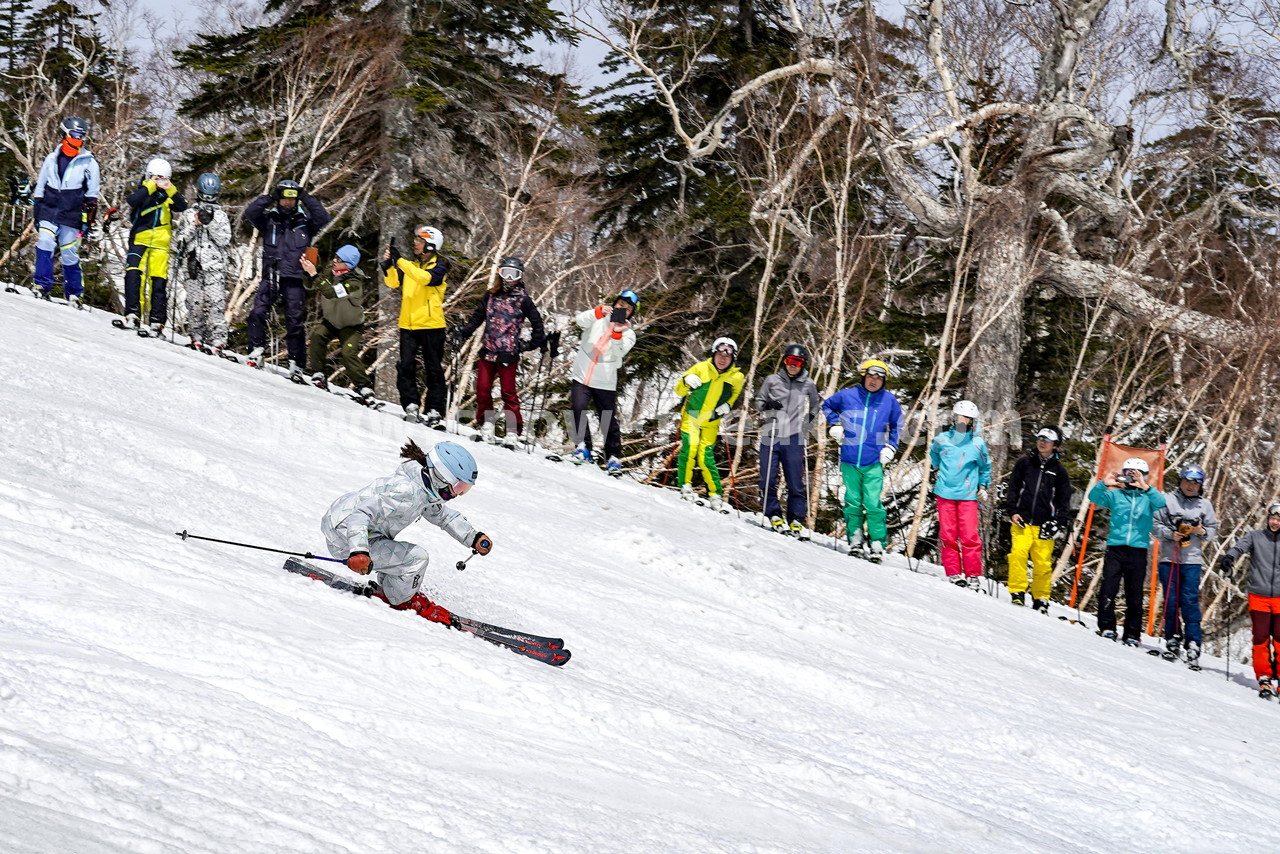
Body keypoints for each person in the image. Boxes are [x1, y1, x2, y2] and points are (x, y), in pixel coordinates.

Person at [321, 439, 492, 622]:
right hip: (345, 537)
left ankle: (393, 591)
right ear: (441, 475)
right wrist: (358, 551)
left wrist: (473, 537)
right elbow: (359, 515)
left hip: (357, 530)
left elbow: (442, 516)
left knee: (401, 559)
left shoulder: (423, 489)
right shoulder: (406, 491)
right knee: (416, 559)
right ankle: (397, 600)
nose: (458, 494)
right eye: (459, 487)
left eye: (465, 490)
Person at [454, 256, 546, 446]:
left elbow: (538, 324)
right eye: (506, 273)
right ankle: (486, 423)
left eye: (514, 275)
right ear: (500, 273)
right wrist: (464, 332)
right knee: (482, 389)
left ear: (520, 277)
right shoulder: (490, 295)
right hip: (488, 350)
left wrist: (530, 344)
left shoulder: (523, 299)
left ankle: (512, 431)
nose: (509, 278)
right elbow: (477, 318)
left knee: (508, 393)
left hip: (508, 354)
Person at [245, 179, 331, 378]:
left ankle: (296, 362)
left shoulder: (305, 223)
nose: (288, 203)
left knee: (294, 320)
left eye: (292, 200)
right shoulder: (269, 219)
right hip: (272, 274)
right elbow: (250, 213)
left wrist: (305, 196)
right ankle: (256, 348)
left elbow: (322, 217)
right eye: (284, 199)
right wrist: (269, 197)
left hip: (295, 278)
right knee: (258, 312)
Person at [821, 358, 902, 560]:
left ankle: (876, 542)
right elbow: (827, 405)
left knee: (873, 503)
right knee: (853, 501)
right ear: (863, 376)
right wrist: (834, 425)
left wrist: (891, 447)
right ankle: (855, 539)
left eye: (879, 378)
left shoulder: (889, 401)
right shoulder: (848, 395)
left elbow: (897, 426)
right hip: (849, 459)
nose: (874, 381)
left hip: (874, 460)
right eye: (871, 376)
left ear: (884, 381)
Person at [1087, 457, 1166, 646]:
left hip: (1138, 551)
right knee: (1108, 589)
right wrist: (1104, 484)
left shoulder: (1148, 497)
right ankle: (1107, 627)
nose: (1131, 478)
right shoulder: (1116, 495)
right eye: (1128, 473)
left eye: (1136, 474)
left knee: (1134, 593)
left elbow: (1162, 503)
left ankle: (1132, 633)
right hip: (1116, 547)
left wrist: (1145, 486)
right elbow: (1094, 498)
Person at [382, 225, 450, 426]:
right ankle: (410, 403)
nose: (415, 245)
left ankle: (435, 409)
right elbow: (393, 283)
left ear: (430, 245)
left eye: (419, 242)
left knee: (433, 369)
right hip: (408, 324)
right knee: (406, 366)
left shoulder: (440, 267)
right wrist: (389, 265)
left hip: (431, 325)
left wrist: (400, 261)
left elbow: (425, 279)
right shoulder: (410, 266)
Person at [1150, 463, 1216, 664]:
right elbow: (1154, 525)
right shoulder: (1167, 500)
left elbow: (1212, 530)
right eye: (1188, 481)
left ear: (1200, 486)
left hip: (1192, 560)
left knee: (1189, 601)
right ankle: (1172, 637)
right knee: (1170, 601)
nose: (1191, 486)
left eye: (1195, 483)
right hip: (1169, 558)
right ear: (1181, 481)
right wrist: (1171, 534)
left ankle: (1194, 641)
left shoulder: (1204, 505)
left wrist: (1201, 532)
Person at [568, 291, 638, 473]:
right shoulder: (598, 318)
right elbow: (579, 321)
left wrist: (616, 334)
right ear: (615, 304)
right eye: (621, 305)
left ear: (631, 314)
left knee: (607, 418)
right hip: (582, 375)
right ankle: (583, 447)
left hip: (605, 381)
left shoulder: (629, 334)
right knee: (577, 409)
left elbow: (618, 353)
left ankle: (613, 456)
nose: (623, 310)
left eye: (628, 309)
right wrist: (596, 312)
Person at [32, 116, 100, 305]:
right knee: (45, 242)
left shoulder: (89, 162)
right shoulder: (52, 158)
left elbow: (92, 193)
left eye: (83, 135)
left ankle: (74, 292)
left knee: (69, 251)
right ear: (66, 134)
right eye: (76, 134)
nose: (79, 138)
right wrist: (37, 207)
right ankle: (42, 284)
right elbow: (41, 183)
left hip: (72, 212)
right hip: (50, 207)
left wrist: (89, 216)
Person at [1005, 425, 1073, 611]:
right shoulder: (1025, 463)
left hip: (1045, 525)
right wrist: (1012, 511)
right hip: (1022, 520)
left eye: (1047, 440)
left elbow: (1064, 500)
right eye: (1040, 438)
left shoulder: (1059, 471)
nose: (1042, 442)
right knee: (1018, 554)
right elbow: (1013, 488)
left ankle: (1041, 598)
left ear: (1055, 445)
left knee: (1042, 563)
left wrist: (1058, 522)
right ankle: (1017, 591)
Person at [756, 343, 821, 537]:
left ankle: (796, 519)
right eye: (790, 361)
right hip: (771, 434)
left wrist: (808, 422)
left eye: (797, 362)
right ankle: (773, 513)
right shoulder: (772, 380)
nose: (793, 366)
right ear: (785, 361)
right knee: (767, 477)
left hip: (793, 437)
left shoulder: (808, 384)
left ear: (803, 364)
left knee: (795, 481)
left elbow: (816, 405)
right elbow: (758, 402)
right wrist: (767, 404)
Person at [674, 337, 746, 511]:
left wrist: (728, 405)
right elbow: (679, 390)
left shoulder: (736, 377)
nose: (722, 359)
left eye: (727, 357)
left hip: (711, 421)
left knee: (706, 457)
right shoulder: (700, 368)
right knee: (690, 449)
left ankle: (715, 494)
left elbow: (735, 395)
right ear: (714, 354)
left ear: (732, 358)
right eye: (720, 354)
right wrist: (686, 381)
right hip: (691, 416)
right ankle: (685, 485)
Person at [929, 400, 992, 588]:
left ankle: (972, 574)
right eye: (960, 418)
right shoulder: (942, 439)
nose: (963, 422)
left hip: (968, 495)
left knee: (969, 536)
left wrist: (983, 486)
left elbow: (985, 466)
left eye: (967, 419)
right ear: (954, 418)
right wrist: (937, 467)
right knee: (948, 535)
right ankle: (954, 572)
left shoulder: (978, 443)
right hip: (945, 493)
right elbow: (934, 453)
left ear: (973, 422)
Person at [1220, 503, 1280, 698]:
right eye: (1273, 518)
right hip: (1258, 595)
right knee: (1261, 636)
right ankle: (1264, 676)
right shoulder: (1256, 536)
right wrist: (1229, 558)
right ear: (1267, 518)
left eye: (1279, 520)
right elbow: (1239, 547)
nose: (1275, 522)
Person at [123, 158, 188, 335]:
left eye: (163, 178)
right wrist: (151, 186)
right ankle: (133, 313)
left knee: (158, 281)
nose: (159, 181)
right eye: (156, 177)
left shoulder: (169, 195)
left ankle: (157, 320)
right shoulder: (143, 190)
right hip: (140, 239)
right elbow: (133, 201)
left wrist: (170, 189)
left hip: (161, 243)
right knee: (134, 274)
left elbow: (182, 206)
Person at [171, 173, 232, 353]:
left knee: (216, 302)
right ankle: (196, 336)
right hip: (192, 264)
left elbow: (224, 239)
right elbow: (179, 240)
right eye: (205, 195)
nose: (208, 200)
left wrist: (209, 223)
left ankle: (218, 340)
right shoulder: (189, 214)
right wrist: (195, 225)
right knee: (194, 302)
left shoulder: (221, 216)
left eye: (211, 196)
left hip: (214, 266)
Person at [303, 244, 372, 400]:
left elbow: (331, 293)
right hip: (331, 320)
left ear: (348, 264)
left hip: (351, 325)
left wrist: (314, 274)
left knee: (348, 354)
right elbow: (312, 286)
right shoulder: (331, 270)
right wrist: (307, 271)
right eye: (335, 256)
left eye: (338, 259)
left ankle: (364, 387)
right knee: (317, 337)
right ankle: (319, 373)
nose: (334, 260)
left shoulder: (355, 281)